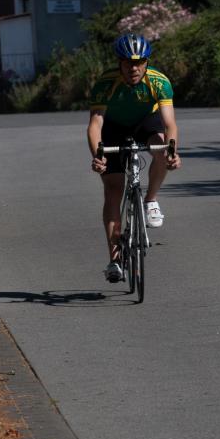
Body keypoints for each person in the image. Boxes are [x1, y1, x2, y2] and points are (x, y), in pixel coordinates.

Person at [87, 33, 181, 282]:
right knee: (113, 190)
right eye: (129, 62)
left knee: (161, 149)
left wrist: (172, 152)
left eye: (140, 62)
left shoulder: (159, 81)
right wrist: (98, 155)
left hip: (145, 122)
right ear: (120, 62)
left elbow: (169, 123)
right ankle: (115, 260)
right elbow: (95, 124)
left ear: (146, 62)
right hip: (114, 127)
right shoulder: (106, 83)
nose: (134, 68)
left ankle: (150, 200)